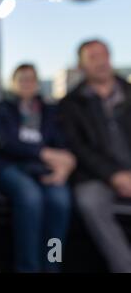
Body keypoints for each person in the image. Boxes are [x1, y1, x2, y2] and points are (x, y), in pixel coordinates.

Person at [0, 64, 75, 272]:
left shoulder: (50, 111)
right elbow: (1, 139)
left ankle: (53, 263)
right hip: (8, 166)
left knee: (60, 201)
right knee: (30, 197)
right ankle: (28, 266)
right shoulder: (1, 108)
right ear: (13, 82)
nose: (27, 83)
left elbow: (62, 143)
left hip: (43, 169)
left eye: (32, 79)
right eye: (22, 78)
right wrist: (42, 153)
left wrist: (64, 168)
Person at [59, 39, 131, 273]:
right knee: (89, 202)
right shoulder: (70, 104)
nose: (101, 62)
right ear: (81, 65)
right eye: (93, 57)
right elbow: (77, 147)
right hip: (95, 175)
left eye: (104, 55)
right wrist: (114, 175)